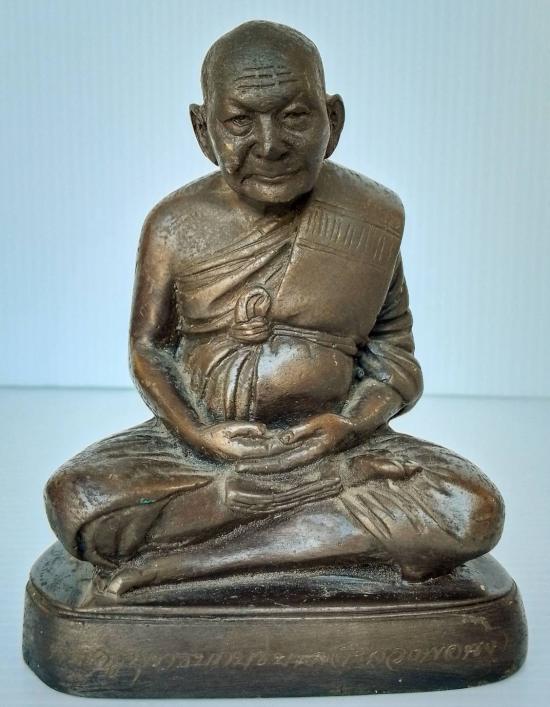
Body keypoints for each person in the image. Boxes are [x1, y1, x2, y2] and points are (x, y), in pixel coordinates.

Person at [45, 21, 504, 597]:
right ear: (203, 130)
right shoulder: (175, 225)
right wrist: (199, 435)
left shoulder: (369, 216)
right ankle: (258, 511)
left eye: (294, 116)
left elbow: (393, 357)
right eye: (240, 122)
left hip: (334, 444)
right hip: (208, 452)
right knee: (76, 499)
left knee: (470, 508)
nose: (269, 144)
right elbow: (149, 349)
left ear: (333, 120)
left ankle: (192, 564)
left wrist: (348, 426)